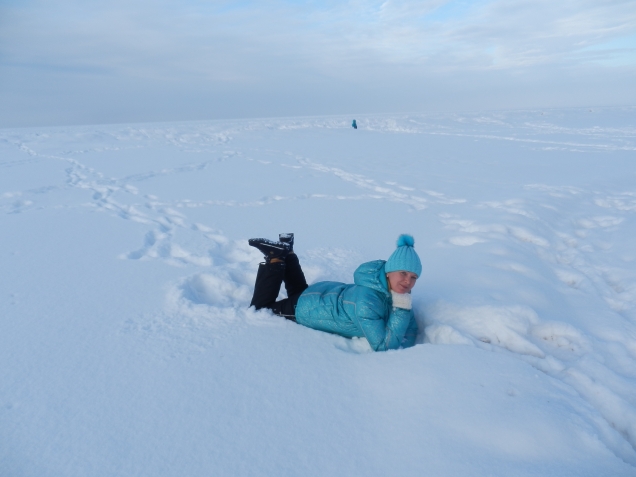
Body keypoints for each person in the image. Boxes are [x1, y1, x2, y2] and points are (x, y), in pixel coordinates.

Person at [249, 233, 420, 351]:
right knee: (261, 309)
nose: (407, 281)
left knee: (298, 292)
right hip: (310, 309)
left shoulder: (385, 285)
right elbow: (383, 347)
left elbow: (411, 329)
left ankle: (287, 251)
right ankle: (275, 258)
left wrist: (404, 333)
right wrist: (401, 310)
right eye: (403, 273)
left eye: (413, 277)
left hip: (323, 292)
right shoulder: (368, 302)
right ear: (389, 271)